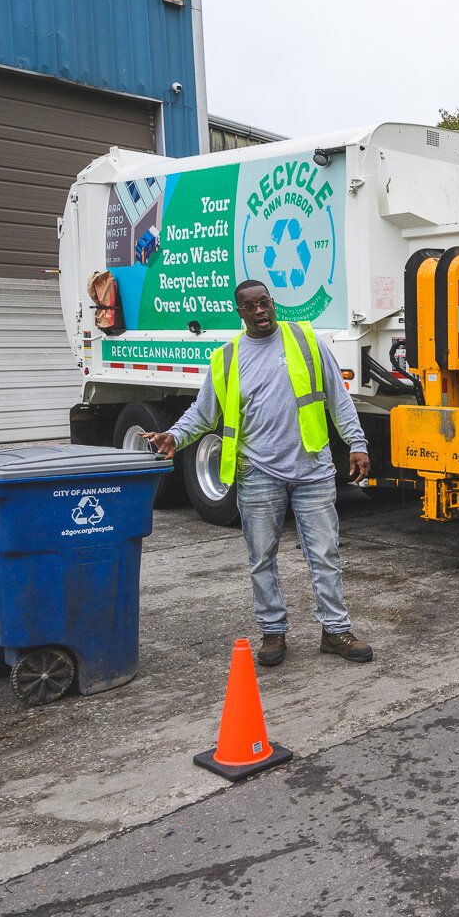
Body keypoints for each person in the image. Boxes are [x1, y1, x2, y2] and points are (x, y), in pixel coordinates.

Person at [142, 280, 374, 666]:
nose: (260, 311)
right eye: (250, 307)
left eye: (265, 303)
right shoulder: (228, 357)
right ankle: (273, 632)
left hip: (312, 469)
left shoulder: (306, 340)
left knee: (325, 553)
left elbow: (338, 396)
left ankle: (335, 632)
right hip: (258, 473)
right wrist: (176, 436)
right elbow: (203, 413)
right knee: (262, 557)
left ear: (273, 303)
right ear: (240, 313)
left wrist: (358, 442)